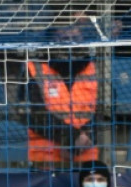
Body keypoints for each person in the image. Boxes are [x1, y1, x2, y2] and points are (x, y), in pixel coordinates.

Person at [25, 21, 99, 169]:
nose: (70, 38)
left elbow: (105, 111)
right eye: (64, 34)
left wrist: (84, 140)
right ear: (52, 38)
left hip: (86, 161)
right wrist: (71, 139)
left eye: (75, 34)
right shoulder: (35, 68)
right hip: (45, 160)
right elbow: (34, 115)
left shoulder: (94, 68)